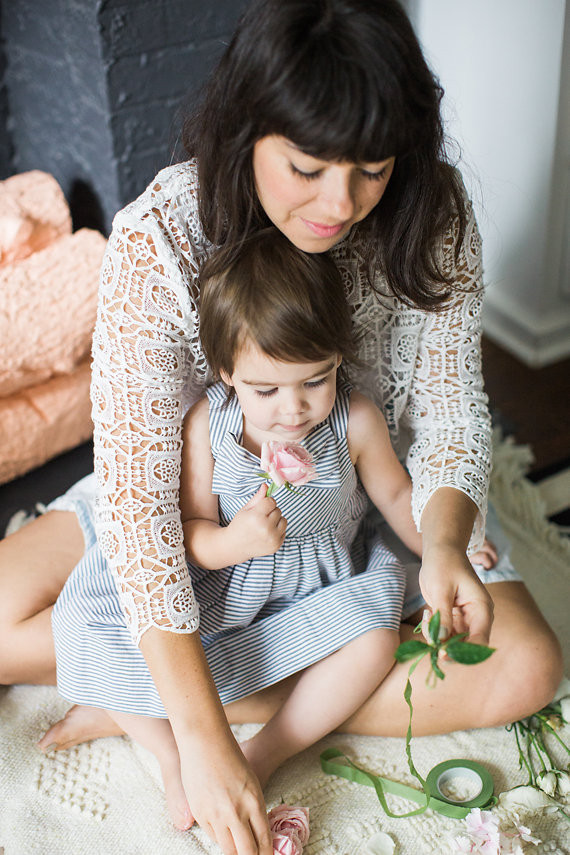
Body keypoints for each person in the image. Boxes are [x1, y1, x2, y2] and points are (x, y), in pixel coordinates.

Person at [0, 1, 562, 853]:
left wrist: (445, 543)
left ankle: (150, 688)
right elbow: (143, 505)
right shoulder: (162, 240)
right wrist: (199, 739)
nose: (341, 203)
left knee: (526, 663)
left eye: (372, 168)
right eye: (307, 167)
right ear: (248, 127)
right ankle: (183, 683)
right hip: (198, 504)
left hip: (363, 501)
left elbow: (452, 410)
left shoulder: (432, 217)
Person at [49, 228, 427, 824]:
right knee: (87, 619)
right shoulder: (209, 425)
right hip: (223, 587)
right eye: (266, 388)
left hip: (316, 583)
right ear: (227, 371)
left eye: (315, 380)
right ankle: (171, 753)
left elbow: (397, 493)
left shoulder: (353, 421)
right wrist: (235, 542)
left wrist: (449, 547)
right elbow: (190, 533)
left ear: (338, 359)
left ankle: (263, 753)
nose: (292, 408)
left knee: (379, 641)